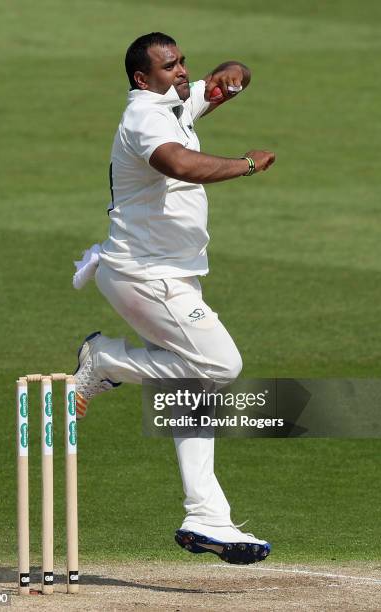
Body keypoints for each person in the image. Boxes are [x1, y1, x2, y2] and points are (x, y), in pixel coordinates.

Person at [74, 32, 275, 565]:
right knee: (220, 364)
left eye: (182, 61)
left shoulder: (175, 100)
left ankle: (207, 517)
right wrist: (247, 164)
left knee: (194, 395)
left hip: (171, 275)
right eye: (169, 66)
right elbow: (182, 166)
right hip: (144, 276)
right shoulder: (143, 117)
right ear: (143, 78)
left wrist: (235, 75)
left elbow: (227, 78)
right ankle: (106, 358)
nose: (182, 71)